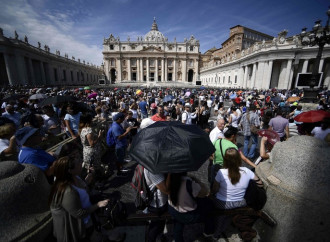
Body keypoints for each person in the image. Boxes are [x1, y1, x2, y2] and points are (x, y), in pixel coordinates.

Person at [49, 156, 109, 242]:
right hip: (81, 225)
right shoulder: (67, 191)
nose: (81, 163)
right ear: (70, 171)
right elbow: (79, 213)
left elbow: (82, 190)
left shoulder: (76, 177)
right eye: (78, 163)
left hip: (88, 217)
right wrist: (98, 205)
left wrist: (88, 179)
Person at [211, 148, 263, 240]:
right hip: (240, 203)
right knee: (228, 213)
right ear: (239, 159)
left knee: (218, 210)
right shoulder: (246, 171)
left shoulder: (221, 172)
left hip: (222, 204)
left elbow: (215, 189)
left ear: (225, 160)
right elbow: (260, 183)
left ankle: (216, 234)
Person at [168, 172, 214, 242]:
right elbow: (204, 192)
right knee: (208, 206)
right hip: (189, 216)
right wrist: (196, 180)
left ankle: (178, 239)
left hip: (173, 211)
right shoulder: (188, 183)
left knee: (178, 221)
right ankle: (208, 232)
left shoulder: (169, 180)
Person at [79, 113, 104, 178]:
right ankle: (95, 180)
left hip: (86, 150)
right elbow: (92, 144)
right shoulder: (89, 130)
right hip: (92, 152)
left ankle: (92, 180)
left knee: (89, 167)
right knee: (94, 168)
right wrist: (99, 136)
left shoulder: (82, 129)